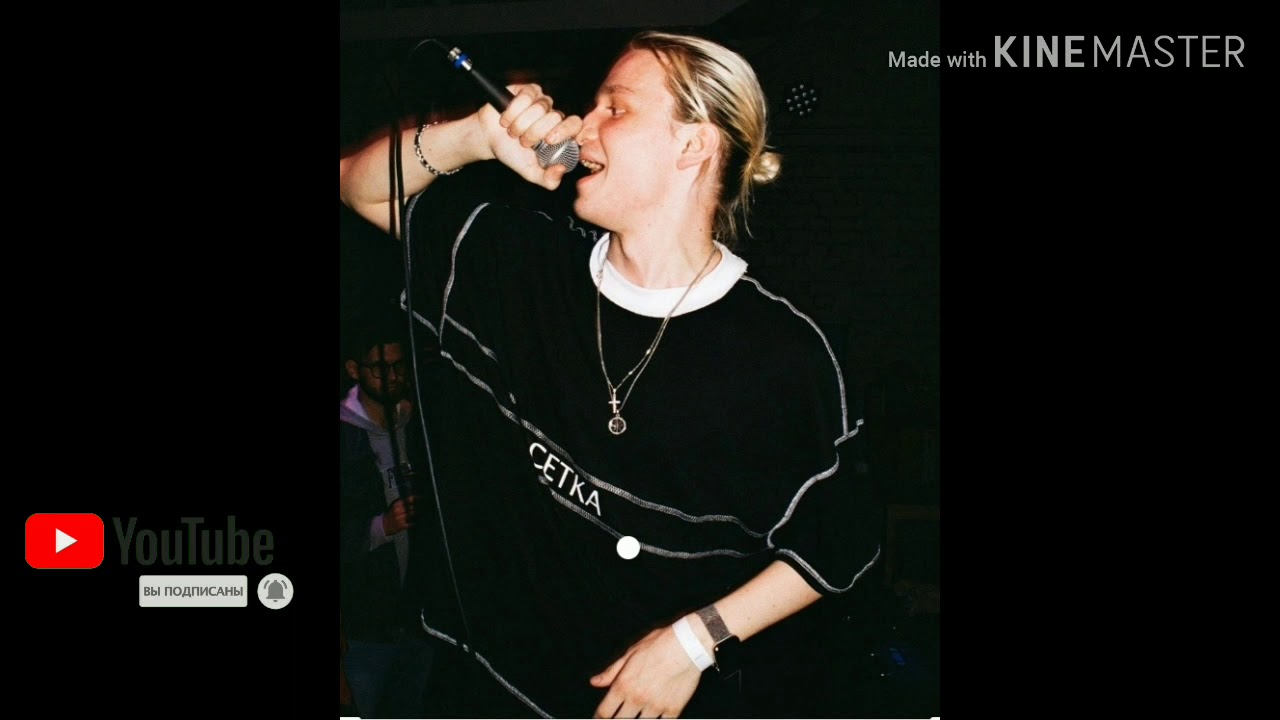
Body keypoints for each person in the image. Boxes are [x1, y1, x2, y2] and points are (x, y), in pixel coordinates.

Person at [340, 31, 881, 718]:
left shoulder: (785, 353)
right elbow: (361, 188)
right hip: (483, 685)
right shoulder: (516, 261)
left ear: (693, 145)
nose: (578, 125)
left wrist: (692, 643)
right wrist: (474, 137)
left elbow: (841, 541)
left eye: (614, 108)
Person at [339, 312, 438, 718]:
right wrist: (382, 526)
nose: (393, 377)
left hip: (419, 618)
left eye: (399, 366)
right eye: (381, 368)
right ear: (355, 370)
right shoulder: (345, 435)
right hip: (363, 627)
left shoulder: (416, 424)